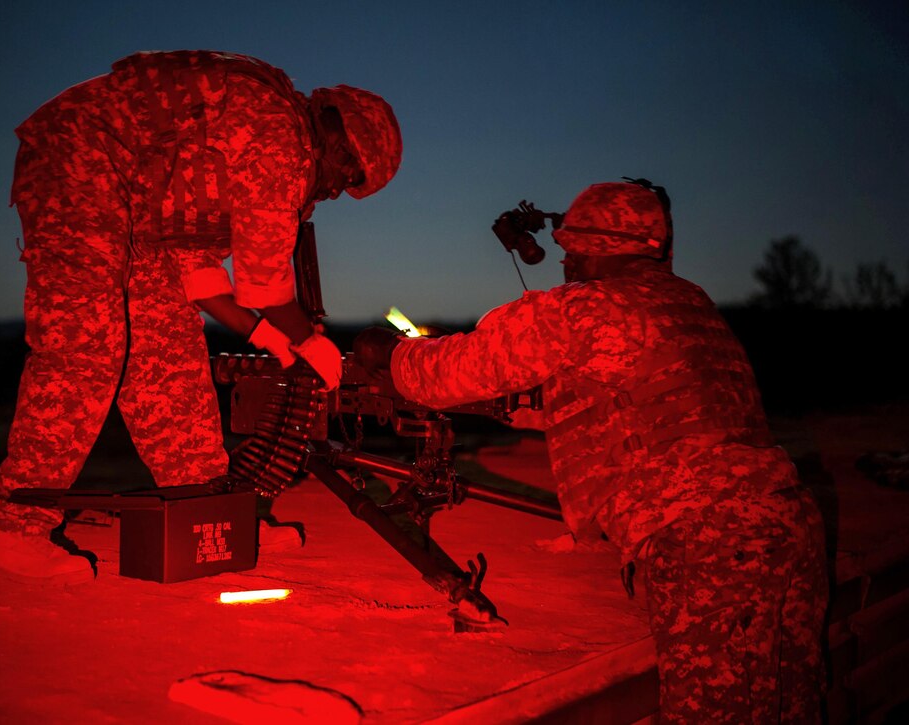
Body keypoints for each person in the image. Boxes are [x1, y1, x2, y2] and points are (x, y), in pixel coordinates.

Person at [354, 179, 827, 722]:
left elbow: (458, 369)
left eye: (573, 252)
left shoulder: (590, 307)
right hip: (786, 527)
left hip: (710, 545)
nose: (566, 266)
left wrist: (391, 356)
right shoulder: (689, 301)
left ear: (599, 248)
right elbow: (610, 400)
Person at [0, 50, 401, 583]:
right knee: (86, 346)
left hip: (140, 211)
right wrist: (308, 341)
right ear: (338, 133)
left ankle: (210, 513)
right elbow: (264, 279)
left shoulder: (260, 139)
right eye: (348, 173)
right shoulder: (278, 131)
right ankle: (10, 525)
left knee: (169, 356)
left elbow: (197, 274)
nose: (337, 190)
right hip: (82, 161)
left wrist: (272, 339)